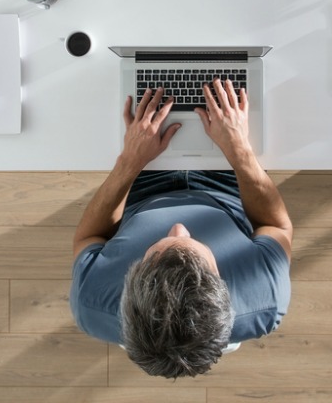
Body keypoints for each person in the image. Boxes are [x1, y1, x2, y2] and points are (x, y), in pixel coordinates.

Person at [70, 78, 292, 379]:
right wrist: (239, 149)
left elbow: (89, 237)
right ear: (223, 283)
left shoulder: (92, 302)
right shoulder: (264, 299)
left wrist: (130, 161)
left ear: (130, 282)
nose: (178, 228)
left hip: (140, 184)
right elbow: (274, 224)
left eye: (156, 247)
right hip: (230, 182)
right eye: (194, 241)